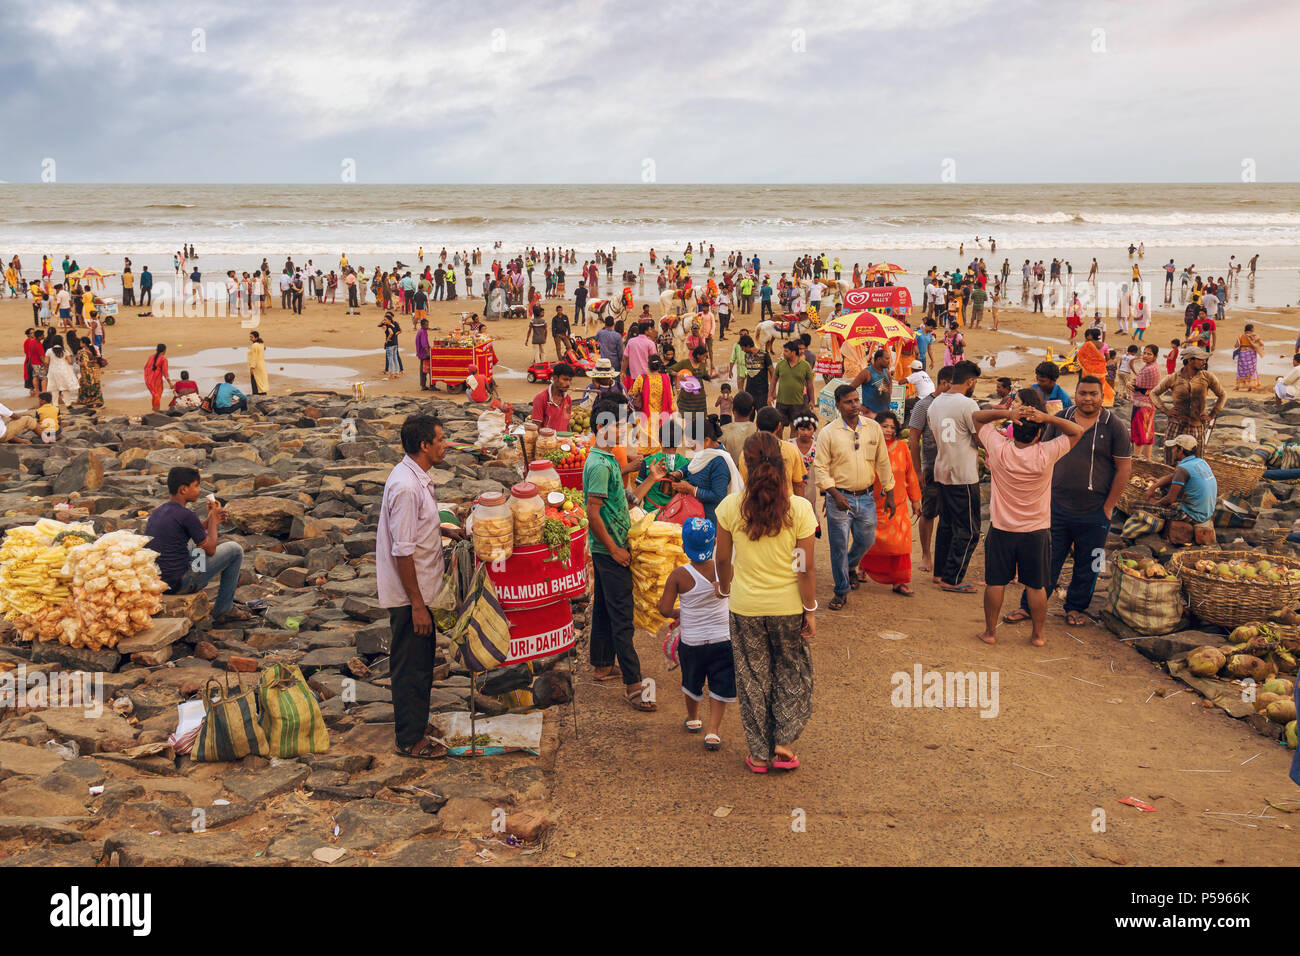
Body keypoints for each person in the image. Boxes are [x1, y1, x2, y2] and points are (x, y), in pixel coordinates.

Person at [715, 431, 817, 774]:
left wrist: (726, 589)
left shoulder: (730, 507)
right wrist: (810, 609)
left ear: (745, 463)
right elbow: (805, 567)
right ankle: (783, 743)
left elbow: (723, 558)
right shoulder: (800, 509)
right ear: (783, 462)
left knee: (752, 678)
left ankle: (759, 754)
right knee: (792, 670)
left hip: (746, 607)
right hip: (788, 607)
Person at [1003, 376, 1131, 630]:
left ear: (1101, 395)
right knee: (1045, 559)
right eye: (1083, 393)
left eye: (1093, 394)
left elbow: (1124, 468)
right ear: (1075, 394)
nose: (1088, 398)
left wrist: (1108, 508)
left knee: (1090, 562)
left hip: (1095, 510)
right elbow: (1042, 453)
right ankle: (1028, 606)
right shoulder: (1061, 419)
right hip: (1056, 505)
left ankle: (1075, 607)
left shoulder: (1114, 425)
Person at [377, 415, 466, 760]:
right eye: (441, 440)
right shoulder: (405, 487)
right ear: (424, 446)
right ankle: (409, 739)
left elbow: (416, 528)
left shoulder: (417, 479)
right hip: (408, 594)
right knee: (410, 666)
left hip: (422, 588)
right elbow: (402, 550)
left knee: (423, 661)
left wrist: (444, 531)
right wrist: (416, 604)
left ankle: (417, 722)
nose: (447, 445)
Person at [971, 391, 1085, 647]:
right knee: (1036, 586)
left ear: (1014, 430)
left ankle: (990, 632)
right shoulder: (1046, 453)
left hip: (1002, 528)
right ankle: (1038, 635)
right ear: (1038, 435)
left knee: (996, 582)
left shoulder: (999, 449)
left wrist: (1007, 414)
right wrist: (1047, 417)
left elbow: (977, 417)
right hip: (1036, 531)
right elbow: (1077, 431)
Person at [585, 394, 669, 711]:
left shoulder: (608, 462)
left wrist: (651, 478)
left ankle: (603, 664)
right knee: (622, 617)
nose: (622, 431)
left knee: (606, 608)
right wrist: (615, 549)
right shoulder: (599, 465)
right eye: (617, 426)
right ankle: (634, 685)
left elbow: (627, 500)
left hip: (613, 546)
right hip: (610, 550)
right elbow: (592, 514)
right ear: (602, 428)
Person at [815, 384, 896, 610]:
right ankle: (841, 590)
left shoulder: (872, 428)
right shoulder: (828, 433)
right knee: (838, 546)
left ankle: (850, 566)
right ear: (838, 405)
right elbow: (820, 468)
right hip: (839, 498)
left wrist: (890, 492)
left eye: (856, 401)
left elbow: (882, 461)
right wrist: (834, 494)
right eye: (848, 402)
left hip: (867, 497)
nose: (854, 406)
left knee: (866, 540)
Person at [657, 517, 734, 751]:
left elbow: (664, 609)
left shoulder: (679, 575)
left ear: (684, 546)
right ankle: (713, 731)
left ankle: (693, 718)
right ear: (713, 545)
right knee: (720, 685)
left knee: (692, 681)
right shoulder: (727, 570)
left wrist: (681, 611)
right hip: (723, 639)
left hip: (692, 642)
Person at [145, 466, 252, 626]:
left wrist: (210, 519)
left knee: (195, 550)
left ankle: (202, 577)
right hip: (180, 584)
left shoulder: (160, 511)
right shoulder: (187, 515)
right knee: (235, 550)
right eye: (196, 486)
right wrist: (214, 522)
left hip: (162, 581)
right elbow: (210, 548)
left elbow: (192, 529)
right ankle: (224, 609)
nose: (199, 490)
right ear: (183, 489)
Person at [927, 360, 982, 593]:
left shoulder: (935, 403)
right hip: (963, 473)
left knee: (947, 524)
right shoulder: (969, 404)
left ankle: (940, 572)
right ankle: (953, 577)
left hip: (943, 469)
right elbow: (979, 438)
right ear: (970, 381)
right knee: (969, 530)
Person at [857, 410, 921, 596]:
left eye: (892, 427)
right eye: (885, 426)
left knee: (900, 545)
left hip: (898, 505)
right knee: (869, 539)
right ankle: (863, 568)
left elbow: (910, 474)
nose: (888, 430)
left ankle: (899, 581)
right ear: (877, 427)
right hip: (873, 503)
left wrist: (915, 501)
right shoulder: (869, 446)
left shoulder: (902, 447)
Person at [1150, 346, 1226, 463]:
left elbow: (1222, 395)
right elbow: (1153, 393)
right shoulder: (1173, 378)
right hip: (1176, 425)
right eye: (1200, 359)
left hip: (1197, 425)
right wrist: (1166, 410)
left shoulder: (1207, 377)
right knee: (1170, 459)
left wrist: (1212, 415)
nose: (1204, 362)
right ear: (1190, 360)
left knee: (1196, 460)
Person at [669, 415, 743, 525]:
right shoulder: (705, 452)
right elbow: (694, 464)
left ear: (707, 440)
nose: (690, 447)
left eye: (692, 443)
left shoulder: (719, 462)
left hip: (710, 520)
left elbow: (718, 496)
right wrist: (680, 473)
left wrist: (691, 489)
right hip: (696, 513)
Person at [1144, 435, 1219, 533]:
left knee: (1137, 505)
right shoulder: (1200, 462)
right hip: (1207, 512)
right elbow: (1173, 476)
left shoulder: (1183, 469)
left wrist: (1154, 504)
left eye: (1174, 448)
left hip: (1194, 516)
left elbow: (1169, 499)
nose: (1172, 451)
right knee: (1165, 489)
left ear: (1181, 449)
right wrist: (1155, 485)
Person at [739, 406, 807, 496]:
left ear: (757, 425)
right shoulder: (791, 450)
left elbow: (744, 484)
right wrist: (800, 508)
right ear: (779, 426)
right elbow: (798, 484)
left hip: (755, 505)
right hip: (786, 504)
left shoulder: (746, 453)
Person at [1130, 345, 1161, 459]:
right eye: (1145, 353)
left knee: (1139, 430)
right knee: (1148, 430)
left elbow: (1138, 385)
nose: (1146, 356)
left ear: (1155, 356)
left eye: (1149, 354)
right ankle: (1147, 458)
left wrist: (1133, 385)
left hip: (1143, 404)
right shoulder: (1152, 367)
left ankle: (1137, 456)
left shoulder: (1149, 369)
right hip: (1149, 403)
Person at [529, 362, 573, 431]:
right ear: (555, 378)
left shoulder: (568, 399)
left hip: (563, 441)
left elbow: (566, 423)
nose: (568, 384)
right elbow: (536, 427)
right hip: (546, 440)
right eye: (565, 379)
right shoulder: (541, 398)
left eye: (570, 380)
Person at [1077, 328, 1114, 406]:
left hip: (1088, 370)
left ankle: (1087, 401)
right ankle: (1100, 402)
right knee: (1100, 386)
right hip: (1100, 370)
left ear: (1091, 335)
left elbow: (1080, 356)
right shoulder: (1105, 345)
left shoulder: (1087, 344)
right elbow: (1107, 358)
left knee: (1087, 386)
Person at [721, 390, 757, 466]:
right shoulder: (758, 431)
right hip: (752, 475)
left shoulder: (723, 431)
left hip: (731, 475)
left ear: (733, 410)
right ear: (752, 410)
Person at [1235, 324, 1265, 391]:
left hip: (1242, 354)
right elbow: (1261, 343)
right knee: (1251, 370)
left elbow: (1236, 345)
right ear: (1252, 329)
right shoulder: (1254, 336)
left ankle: (1238, 387)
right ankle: (1250, 387)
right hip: (1251, 354)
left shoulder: (1240, 336)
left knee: (1241, 370)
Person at [75, 340, 104, 408]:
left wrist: (78, 363)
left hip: (87, 372)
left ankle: (89, 401)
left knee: (86, 386)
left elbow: (84, 363)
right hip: (96, 371)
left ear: (84, 344)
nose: (80, 344)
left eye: (81, 342)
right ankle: (98, 401)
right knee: (96, 385)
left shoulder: (84, 353)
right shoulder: (94, 348)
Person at [143, 344, 171, 412]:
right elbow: (165, 372)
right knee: (157, 396)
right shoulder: (164, 359)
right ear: (164, 351)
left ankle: (154, 409)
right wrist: (170, 383)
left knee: (155, 395)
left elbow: (145, 367)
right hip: (156, 381)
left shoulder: (150, 357)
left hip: (148, 380)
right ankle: (156, 412)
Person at [247, 331, 268, 396]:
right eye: (250, 337)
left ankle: (256, 396)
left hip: (256, 366)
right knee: (261, 382)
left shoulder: (254, 345)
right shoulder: (261, 344)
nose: (250, 338)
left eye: (252, 337)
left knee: (255, 382)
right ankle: (263, 395)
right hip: (262, 365)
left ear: (256, 338)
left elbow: (254, 357)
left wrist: (252, 367)